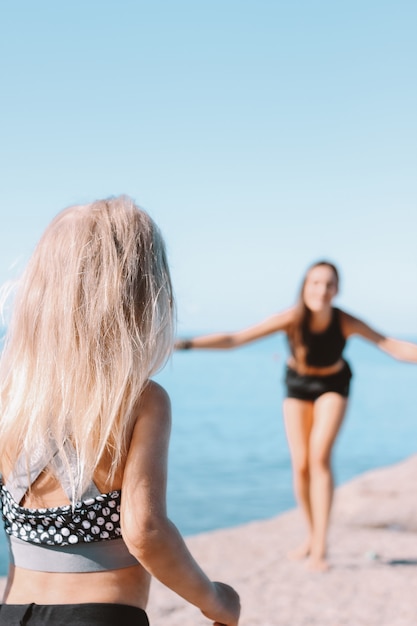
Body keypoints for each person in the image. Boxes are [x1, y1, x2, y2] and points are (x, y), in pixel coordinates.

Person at [0, 196, 240, 626]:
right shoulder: (140, 400)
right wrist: (214, 600)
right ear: (142, 294)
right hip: (100, 614)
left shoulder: (9, 394)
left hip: (14, 610)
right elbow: (145, 533)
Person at [176, 260, 417, 572]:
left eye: (329, 284)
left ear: (337, 289)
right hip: (298, 385)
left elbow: (390, 345)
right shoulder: (290, 318)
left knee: (320, 458)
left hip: (334, 384)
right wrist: (185, 344)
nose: (322, 290)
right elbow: (236, 340)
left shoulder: (344, 321)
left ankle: (320, 545)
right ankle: (309, 533)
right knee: (301, 464)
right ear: (305, 287)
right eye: (315, 283)